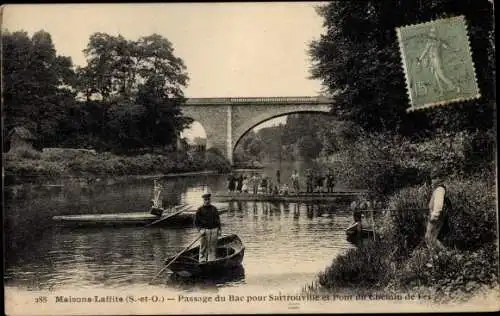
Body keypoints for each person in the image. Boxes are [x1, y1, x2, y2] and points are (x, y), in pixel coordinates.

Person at [424, 172, 451, 251]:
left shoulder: (439, 189)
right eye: (432, 178)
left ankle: (446, 255)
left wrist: (434, 217)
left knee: (430, 238)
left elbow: (439, 205)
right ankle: (438, 257)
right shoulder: (438, 189)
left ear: (439, 179)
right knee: (430, 238)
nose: (432, 181)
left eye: (434, 178)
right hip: (437, 217)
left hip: (437, 218)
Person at [194, 192, 221, 262]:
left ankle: (211, 260)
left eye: (208, 199)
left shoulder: (214, 209)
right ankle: (202, 260)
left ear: (210, 200)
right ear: (203, 200)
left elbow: (218, 220)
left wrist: (219, 229)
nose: (207, 201)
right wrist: (200, 230)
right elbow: (196, 222)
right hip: (204, 231)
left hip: (214, 230)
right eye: (205, 199)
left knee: (212, 247)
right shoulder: (199, 209)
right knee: (203, 247)